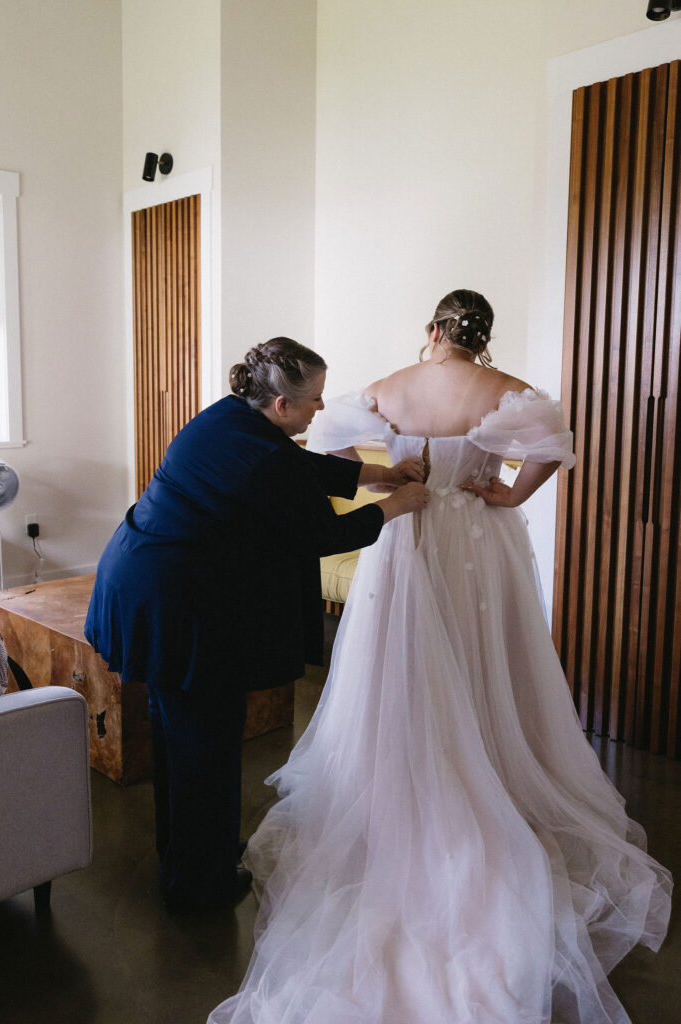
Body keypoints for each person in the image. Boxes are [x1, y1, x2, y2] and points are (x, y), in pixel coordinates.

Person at [208, 292, 672, 1023]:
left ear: (432, 329)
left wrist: (385, 474)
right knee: (487, 663)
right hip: (477, 546)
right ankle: (494, 769)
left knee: (403, 663)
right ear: (483, 336)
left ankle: (405, 774)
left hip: (404, 537)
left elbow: (327, 446)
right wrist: (506, 491)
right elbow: (554, 447)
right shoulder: (504, 388)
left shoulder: (387, 388)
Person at [84, 337, 428, 911]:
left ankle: (190, 856)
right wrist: (398, 503)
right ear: (282, 406)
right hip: (178, 606)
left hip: (147, 583)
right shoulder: (264, 456)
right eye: (314, 400)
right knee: (208, 746)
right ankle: (202, 886)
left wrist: (376, 474)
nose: (321, 408)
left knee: (180, 739)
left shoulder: (230, 415)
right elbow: (326, 535)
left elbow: (298, 466)